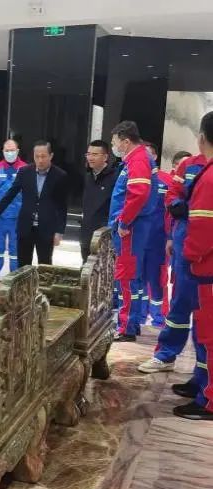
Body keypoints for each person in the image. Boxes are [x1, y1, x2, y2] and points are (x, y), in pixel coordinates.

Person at [138, 151, 205, 373]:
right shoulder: (190, 165)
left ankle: (204, 370)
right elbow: (172, 193)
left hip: (208, 249)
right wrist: (176, 207)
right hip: (185, 242)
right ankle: (166, 355)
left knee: (206, 311)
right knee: (180, 302)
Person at [176, 110, 213, 420]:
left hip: (207, 269)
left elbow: (202, 229)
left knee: (210, 334)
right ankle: (202, 384)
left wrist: (189, 255)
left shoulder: (210, 177)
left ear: (201, 137)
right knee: (205, 331)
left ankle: (210, 401)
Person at [108, 121, 158, 342]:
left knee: (126, 277)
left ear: (126, 141)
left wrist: (124, 223)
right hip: (135, 227)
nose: (114, 146)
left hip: (131, 229)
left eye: (115, 142)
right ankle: (132, 322)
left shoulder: (138, 159)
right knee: (132, 277)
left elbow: (138, 193)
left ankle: (126, 326)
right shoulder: (138, 158)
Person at [0, 140, 68, 267]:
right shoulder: (24, 172)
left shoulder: (60, 176)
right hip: (25, 226)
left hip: (46, 228)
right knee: (23, 265)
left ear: (51, 156)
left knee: (45, 265)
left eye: (43, 156)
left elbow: (62, 207)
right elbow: (10, 195)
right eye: (37, 156)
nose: (40, 160)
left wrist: (59, 232)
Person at [142, 143, 172, 327]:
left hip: (158, 239)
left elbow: (172, 212)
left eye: (148, 154)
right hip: (137, 238)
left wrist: (170, 236)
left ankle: (159, 317)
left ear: (155, 157)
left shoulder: (166, 180)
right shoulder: (134, 177)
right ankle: (139, 315)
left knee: (157, 279)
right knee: (137, 279)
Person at [0, 139, 26, 279]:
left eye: (12, 150)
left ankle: (14, 276)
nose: (10, 153)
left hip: (18, 218)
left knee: (15, 250)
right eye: (7, 150)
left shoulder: (25, 169)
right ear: (3, 152)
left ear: (18, 151)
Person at [80, 140, 117, 263]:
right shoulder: (88, 176)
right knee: (86, 266)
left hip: (104, 233)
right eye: (88, 154)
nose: (90, 158)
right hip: (86, 231)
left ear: (105, 157)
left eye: (95, 154)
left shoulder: (114, 177)